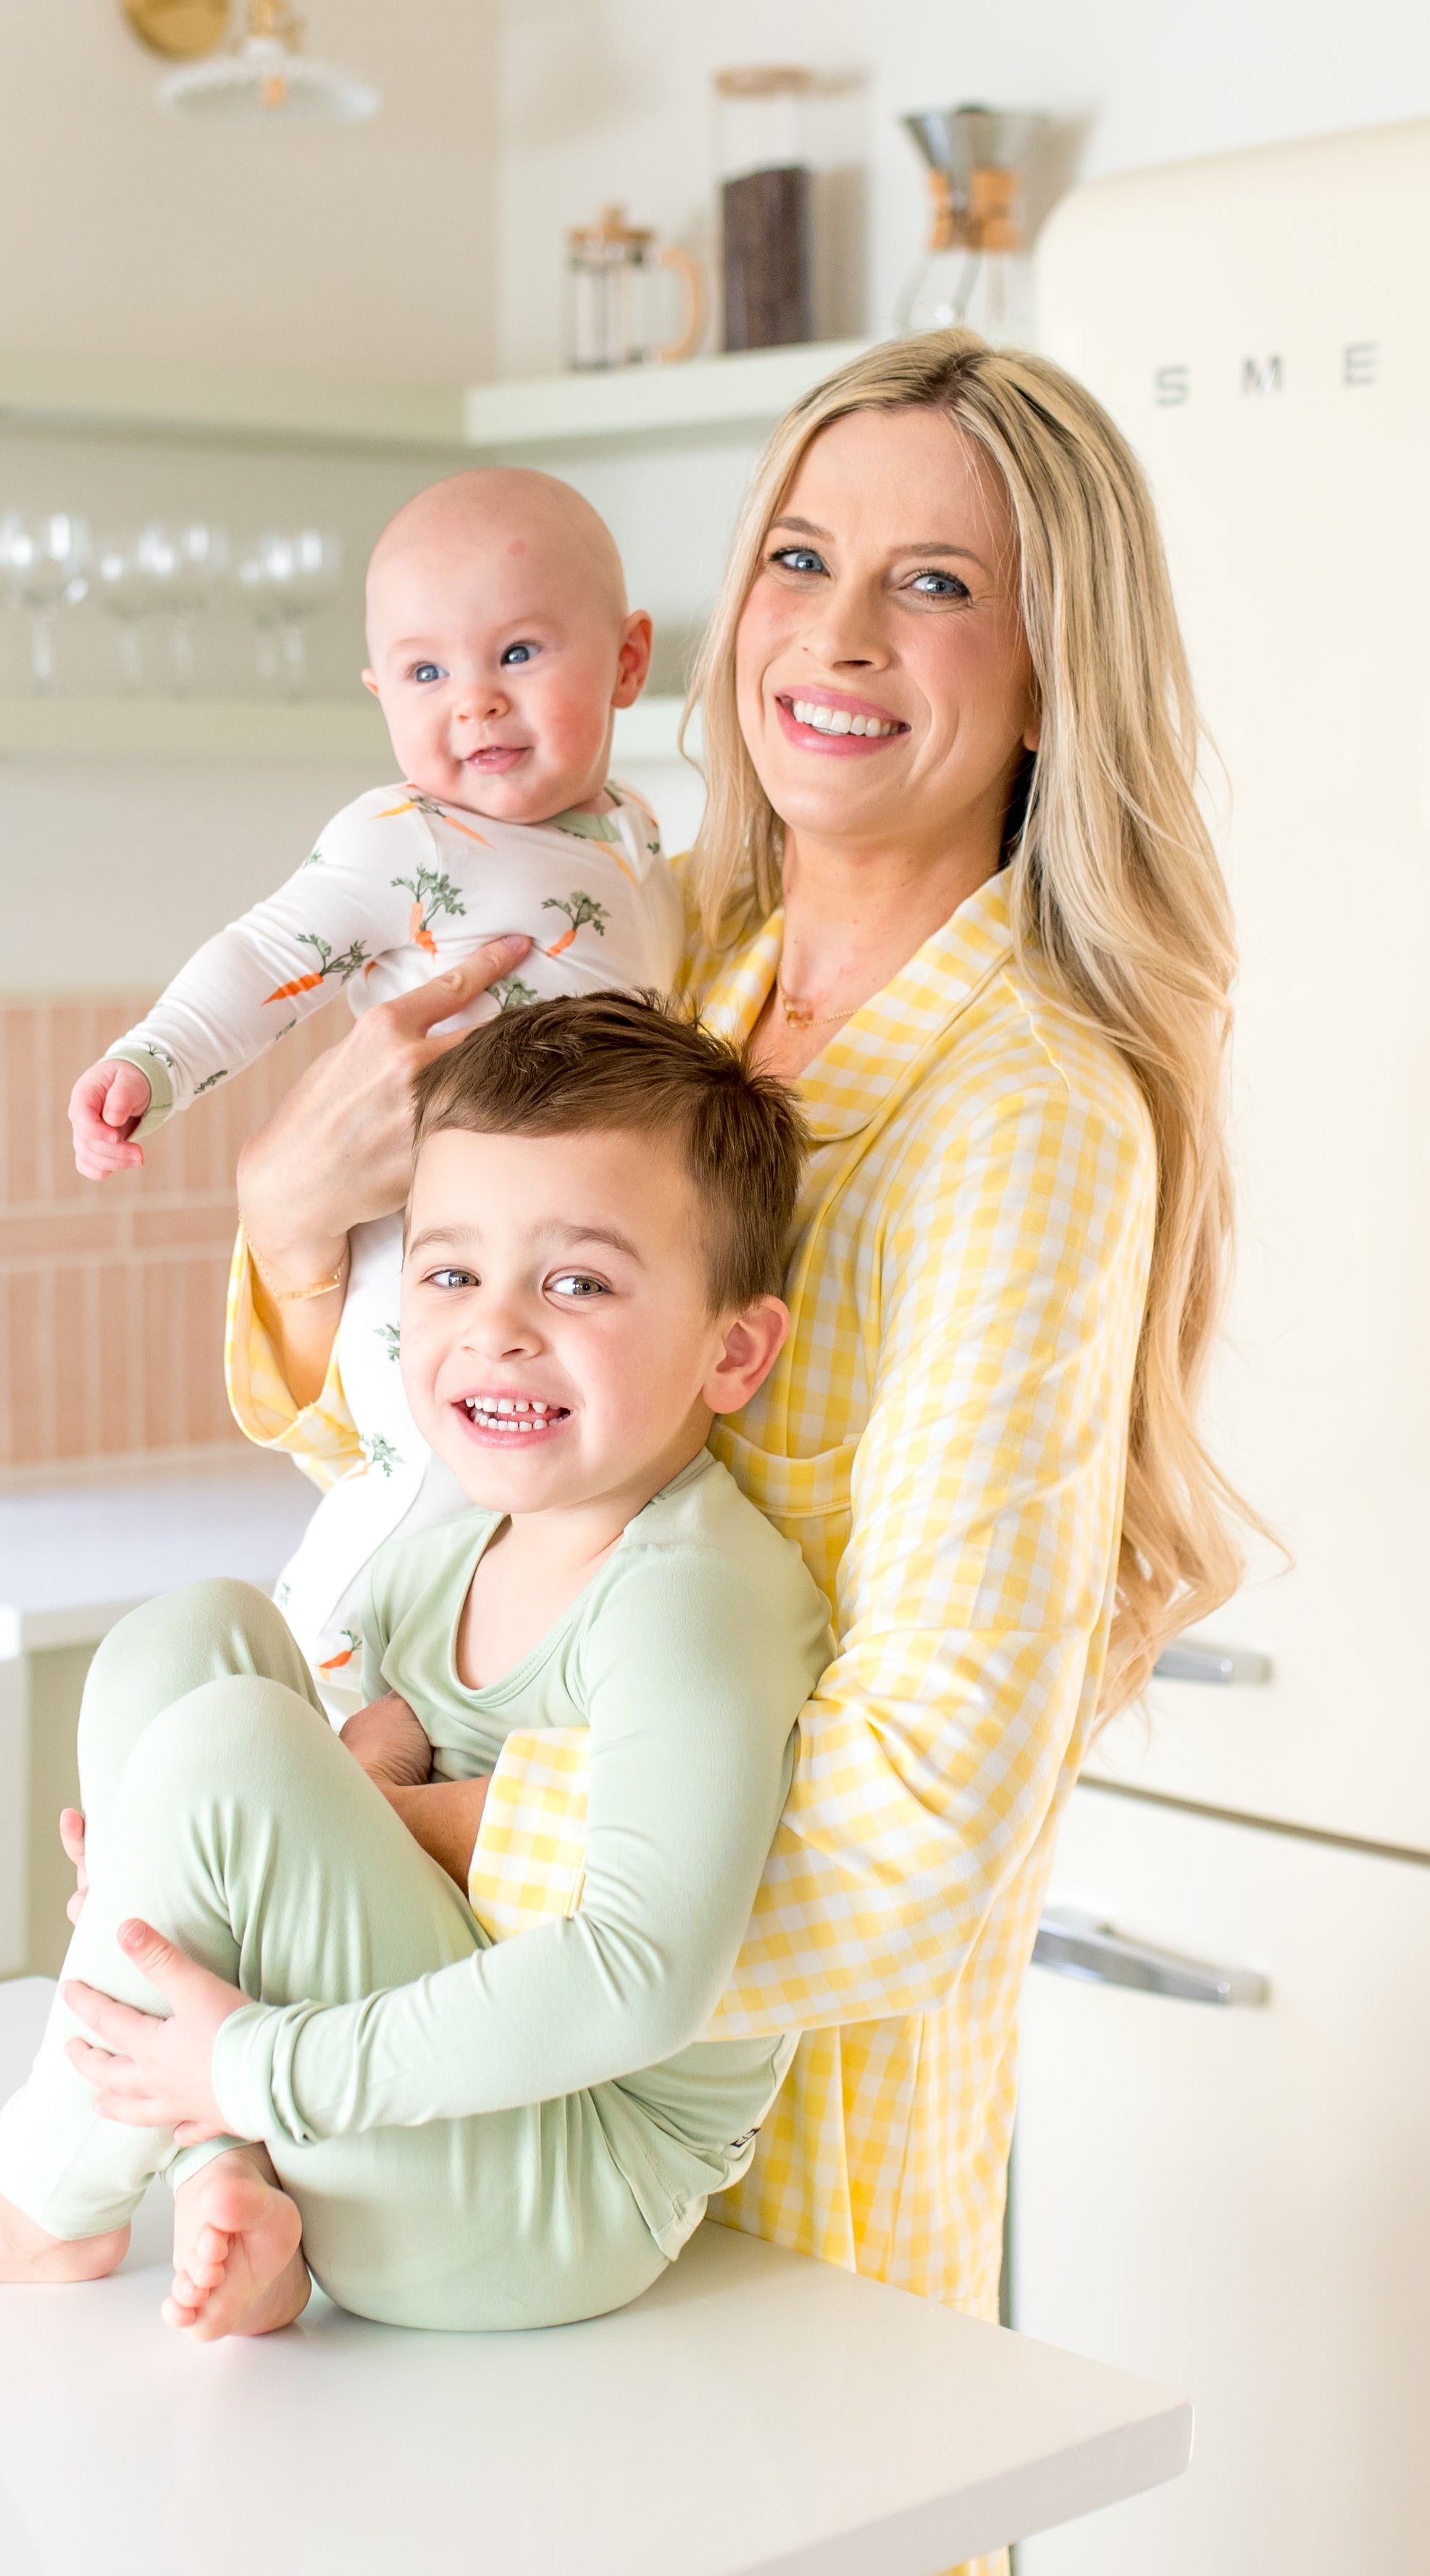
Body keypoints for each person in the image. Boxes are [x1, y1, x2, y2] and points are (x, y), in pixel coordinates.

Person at [222, 331, 1248, 2575]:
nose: (840, 634)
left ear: (1053, 672)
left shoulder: (1021, 1113)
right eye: (800, 556)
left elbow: (922, 1825)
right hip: (446, 2103)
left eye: (935, 584)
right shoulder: (669, 968)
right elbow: (444, 1464)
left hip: (774, 2215)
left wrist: (362, 1828)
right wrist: (292, 1224)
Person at [0, 997, 833, 2339]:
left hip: (560, 2186)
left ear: (733, 1350)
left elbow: (640, 1977)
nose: (497, 1329)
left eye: (578, 1282)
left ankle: (39, 2194)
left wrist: (251, 2061)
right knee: (189, 1641)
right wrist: (167, 1867)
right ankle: (231, 2182)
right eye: (451, 1275)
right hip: (400, 2106)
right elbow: (327, 1822)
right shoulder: (439, 1562)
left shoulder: (691, 1599)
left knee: (234, 1745)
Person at [66, 469, 680, 1710]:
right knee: (419, 1483)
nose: (475, 701)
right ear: (381, 694)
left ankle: (423, 1730)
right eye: (426, 672)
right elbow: (262, 956)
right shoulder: (401, 838)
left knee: (528, 1515)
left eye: (518, 653)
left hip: (552, 1257)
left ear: (626, 663)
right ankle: (302, 1698)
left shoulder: (633, 830)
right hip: (421, 1257)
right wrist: (151, 1061)